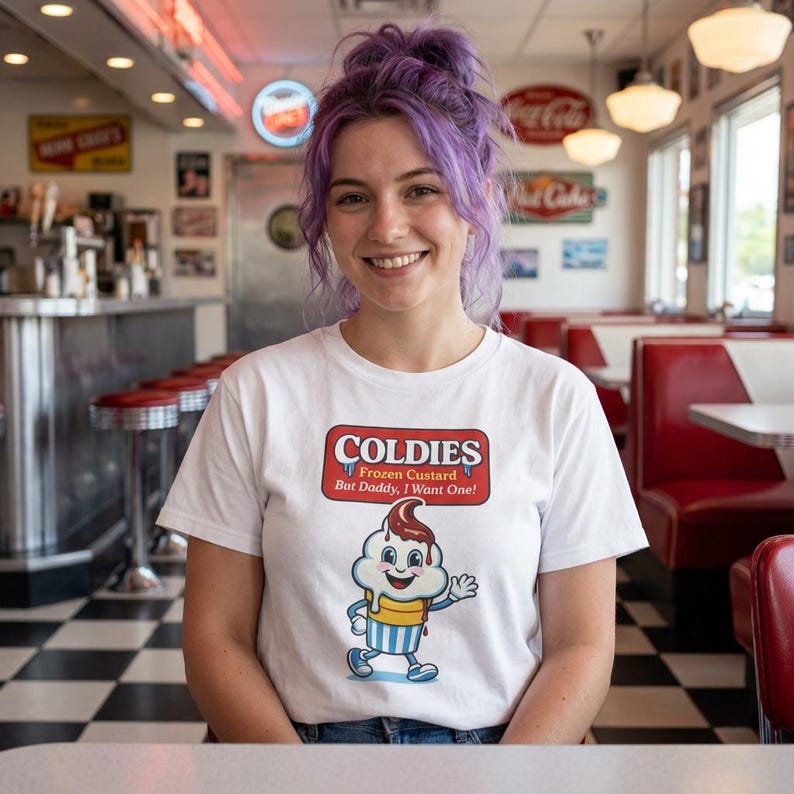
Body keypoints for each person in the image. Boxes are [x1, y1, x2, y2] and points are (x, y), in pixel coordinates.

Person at [157, 21, 647, 745]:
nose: (387, 227)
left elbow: (581, 649)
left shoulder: (555, 398)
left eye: (422, 189)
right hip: (297, 751)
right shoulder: (256, 392)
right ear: (326, 217)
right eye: (353, 197)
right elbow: (215, 640)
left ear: (475, 203)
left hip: (499, 752)